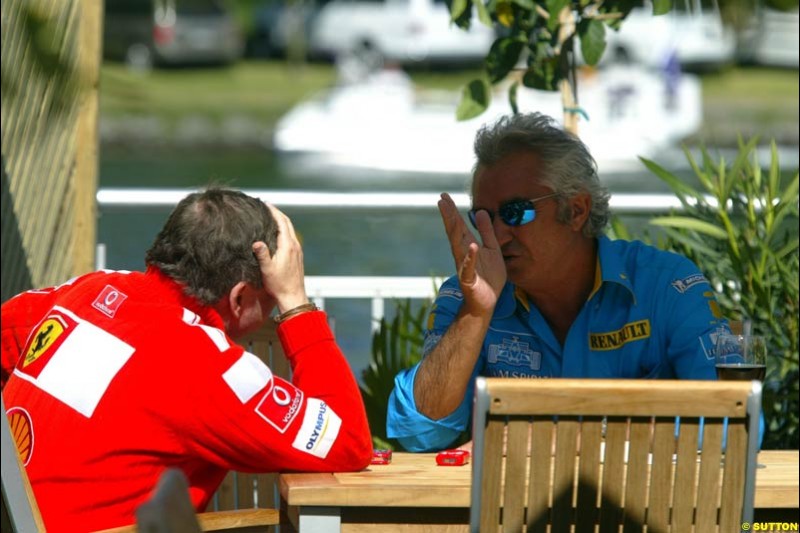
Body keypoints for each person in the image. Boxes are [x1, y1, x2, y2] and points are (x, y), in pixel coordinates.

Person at [1, 188, 373, 531]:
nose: (275, 304)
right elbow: (349, 440)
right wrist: (296, 303)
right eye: (270, 296)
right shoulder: (203, 364)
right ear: (239, 298)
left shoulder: (89, 289)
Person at [386, 113, 730, 452]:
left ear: (577, 210)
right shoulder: (469, 294)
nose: (497, 235)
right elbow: (419, 433)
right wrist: (476, 312)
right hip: (516, 507)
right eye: (483, 218)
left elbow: (733, 422)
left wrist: (569, 439)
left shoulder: (668, 286)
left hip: (638, 508)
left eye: (516, 212)